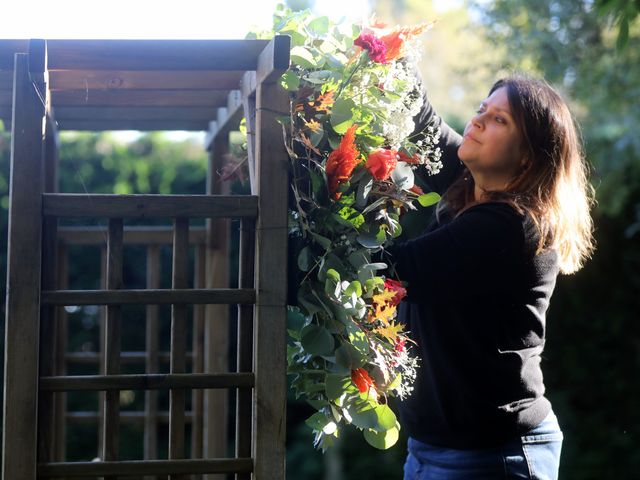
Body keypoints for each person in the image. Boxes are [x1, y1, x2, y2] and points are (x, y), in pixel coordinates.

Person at [387, 75, 595, 479]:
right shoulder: (474, 187)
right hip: (432, 448)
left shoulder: (511, 226)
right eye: (482, 109)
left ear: (528, 157)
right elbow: (426, 124)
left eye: (500, 119)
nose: (478, 120)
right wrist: (391, 63)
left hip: (493, 457)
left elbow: (398, 269)